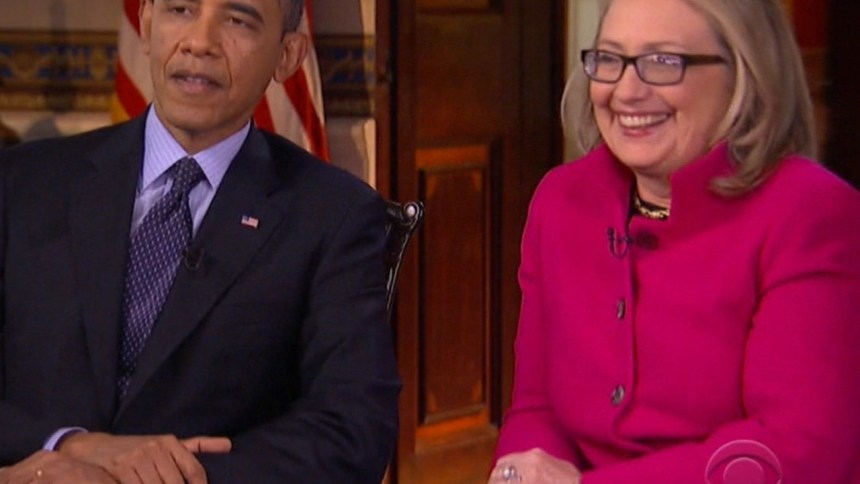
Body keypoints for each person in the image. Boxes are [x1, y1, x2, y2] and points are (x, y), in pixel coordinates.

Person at [0, 0, 400, 482]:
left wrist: (159, 475)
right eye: (180, 9)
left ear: (287, 55)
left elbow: (353, 430)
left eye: (237, 20)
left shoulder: (334, 215)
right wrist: (68, 445)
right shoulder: (23, 183)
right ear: (146, 24)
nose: (199, 43)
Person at [489, 0, 860, 482]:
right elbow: (536, 409)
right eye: (610, 59)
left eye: (663, 62)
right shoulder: (560, 202)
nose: (626, 91)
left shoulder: (811, 212)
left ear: (744, 74)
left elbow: (799, 450)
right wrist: (517, 475)